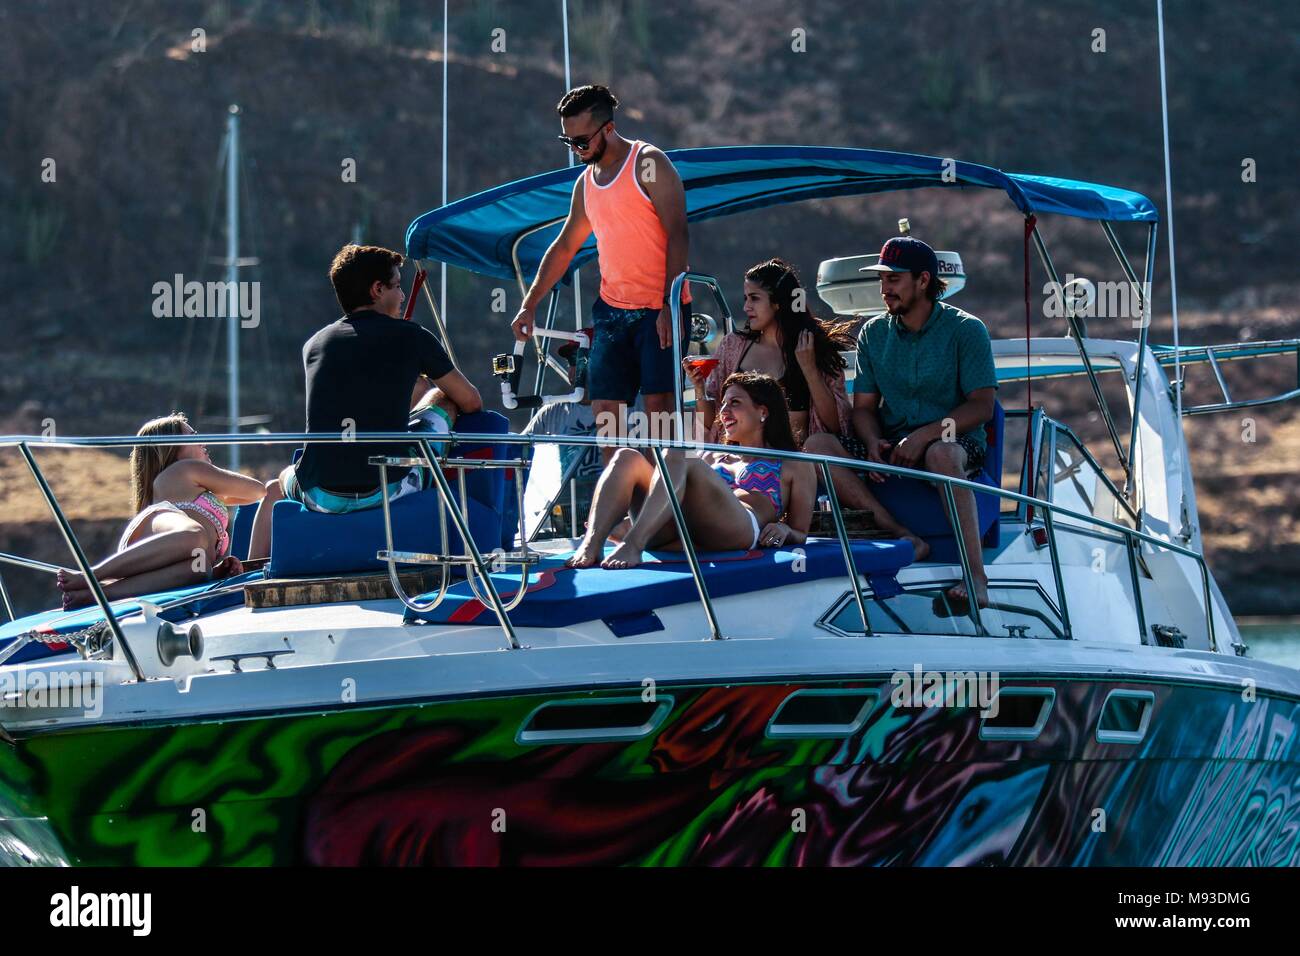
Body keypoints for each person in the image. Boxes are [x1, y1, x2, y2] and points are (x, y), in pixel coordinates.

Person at [247, 244, 481, 560]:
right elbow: (471, 401)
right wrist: (425, 392)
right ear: (377, 289)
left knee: (275, 487)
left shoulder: (315, 344)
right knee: (444, 397)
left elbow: (356, 394)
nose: (401, 296)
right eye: (397, 286)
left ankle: (252, 570)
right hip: (388, 488)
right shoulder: (412, 336)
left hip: (319, 492)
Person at [802, 237, 997, 606]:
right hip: (893, 441)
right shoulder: (873, 333)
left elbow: (982, 407)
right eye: (882, 280)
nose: (884, 289)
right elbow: (863, 409)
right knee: (817, 447)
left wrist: (924, 436)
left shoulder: (967, 330)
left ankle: (975, 575)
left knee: (941, 455)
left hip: (953, 441)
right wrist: (873, 442)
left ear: (923, 281)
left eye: (893, 279)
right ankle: (903, 535)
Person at [510, 84, 691, 461]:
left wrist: (667, 306)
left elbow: (678, 232)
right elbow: (563, 247)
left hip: (659, 307)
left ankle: (667, 503)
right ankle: (623, 506)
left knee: (659, 407)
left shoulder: (649, 163)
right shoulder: (585, 184)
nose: (576, 149)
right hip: (611, 312)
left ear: (608, 129)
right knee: (607, 412)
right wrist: (529, 305)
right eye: (568, 141)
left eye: (581, 140)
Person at [567, 372, 816, 569]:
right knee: (626, 456)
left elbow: (801, 532)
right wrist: (616, 521)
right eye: (724, 403)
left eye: (735, 403)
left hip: (737, 531)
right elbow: (674, 488)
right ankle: (592, 542)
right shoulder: (712, 455)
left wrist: (785, 529)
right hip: (682, 529)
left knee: (678, 454)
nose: (724, 411)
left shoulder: (794, 462)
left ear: (763, 411)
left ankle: (634, 543)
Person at [55, 413, 266, 609]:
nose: (203, 442)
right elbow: (257, 490)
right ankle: (92, 575)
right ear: (172, 448)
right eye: (193, 436)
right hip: (165, 530)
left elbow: (250, 495)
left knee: (200, 568)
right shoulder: (186, 469)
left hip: (160, 554)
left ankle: (99, 594)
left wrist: (216, 570)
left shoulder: (192, 486)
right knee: (196, 534)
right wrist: (212, 477)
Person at [685, 258, 853, 447]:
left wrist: (809, 368)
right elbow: (709, 424)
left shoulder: (812, 345)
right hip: (740, 464)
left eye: (754, 298)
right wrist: (699, 389)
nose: (746, 307)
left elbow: (836, 425)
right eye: (745, 298)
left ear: (778, 303)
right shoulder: (731, 346)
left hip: (797, 466)